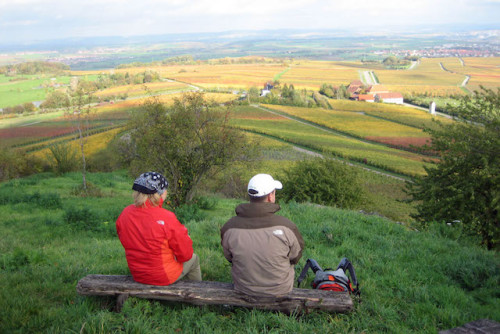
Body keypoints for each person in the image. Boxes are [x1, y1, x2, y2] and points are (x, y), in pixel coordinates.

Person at [220, 173, 304, 296]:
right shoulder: (287, 226)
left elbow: (229, 258)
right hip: (280, 291)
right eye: (274, 192)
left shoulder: (229, 227)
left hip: (244, 289)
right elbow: (296, 257)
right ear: (270, 196)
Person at [116, 171, 202, 285]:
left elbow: (126, 240)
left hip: (138, 274)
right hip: (162, 276)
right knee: (194, 259)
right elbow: (186, 255)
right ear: (160, 193)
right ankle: (197, 296)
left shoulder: (125, 213)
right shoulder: (166, 217)